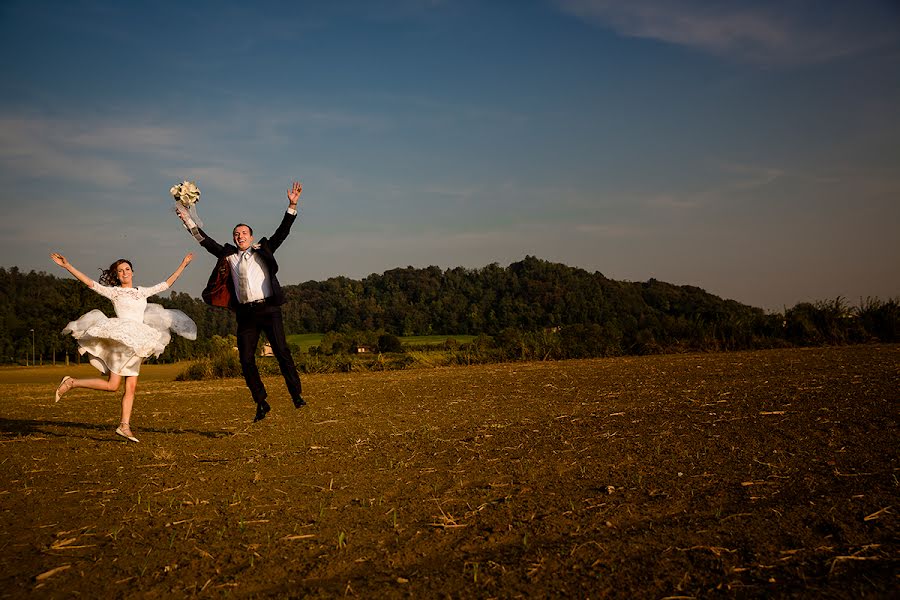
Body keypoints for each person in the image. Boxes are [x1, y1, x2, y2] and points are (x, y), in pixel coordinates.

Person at [176, 181, 305, 423]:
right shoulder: (228, 255)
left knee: (281, 352)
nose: (240, 236)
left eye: (244, 233)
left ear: (251, 236)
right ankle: (261, 402)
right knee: (246, 360)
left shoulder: (262, 249)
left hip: (269, 309)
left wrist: (292, 205)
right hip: (246, 315)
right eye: (236, 234)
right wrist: (187, 220)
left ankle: (296, 394)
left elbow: (282, 232)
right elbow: (204, 241)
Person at [50, 252, 197, 443]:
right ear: (117, 276)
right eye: (120, 271)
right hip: (121, 338)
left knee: (131, 387)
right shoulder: (114, 292)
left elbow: (167, 284)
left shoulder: (141, 291)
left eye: (127, 269)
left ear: (133, 272)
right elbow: (90, 283)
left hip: (138, 339)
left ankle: (124, 426)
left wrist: (183, 264)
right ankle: (72, 382)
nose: (124, 272)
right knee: (113, 385)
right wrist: (68, 266)